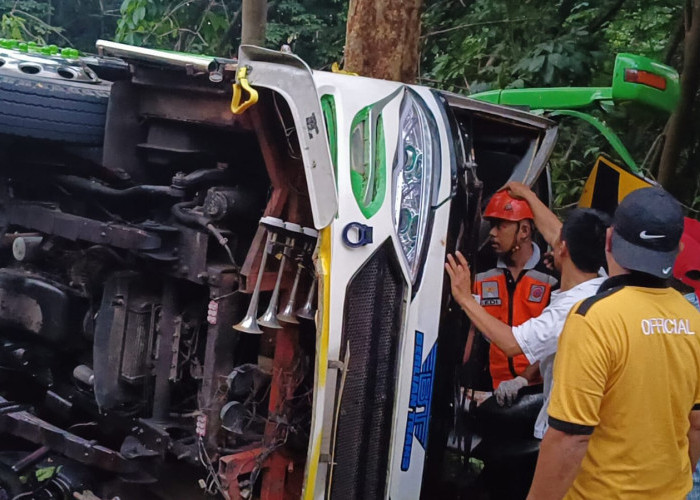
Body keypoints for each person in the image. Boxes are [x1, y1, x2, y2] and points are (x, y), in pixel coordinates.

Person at [527, 187, 700, 500]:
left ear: (609, 240)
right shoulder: (694, 320)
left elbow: (569, 437)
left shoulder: (594, 318)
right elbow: (697, 423)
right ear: (675, 253)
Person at [445, 182, 610, 440]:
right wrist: (528, 195)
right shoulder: (602, 282)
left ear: (563, 248)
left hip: (561, 429)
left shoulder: (572, 309)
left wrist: (465, 298)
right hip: (572, 422)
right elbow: (555, 231)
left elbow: (512, 343)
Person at [472, 190, 557, 401]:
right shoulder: (481, 272)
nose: (492, 233)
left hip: (538, 393)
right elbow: (472, 331)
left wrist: (522, 380)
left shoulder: (551, 276)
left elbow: (555, 341)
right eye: (492, 225)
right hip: (488, 390)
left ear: (524, 230)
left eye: (501, 225)